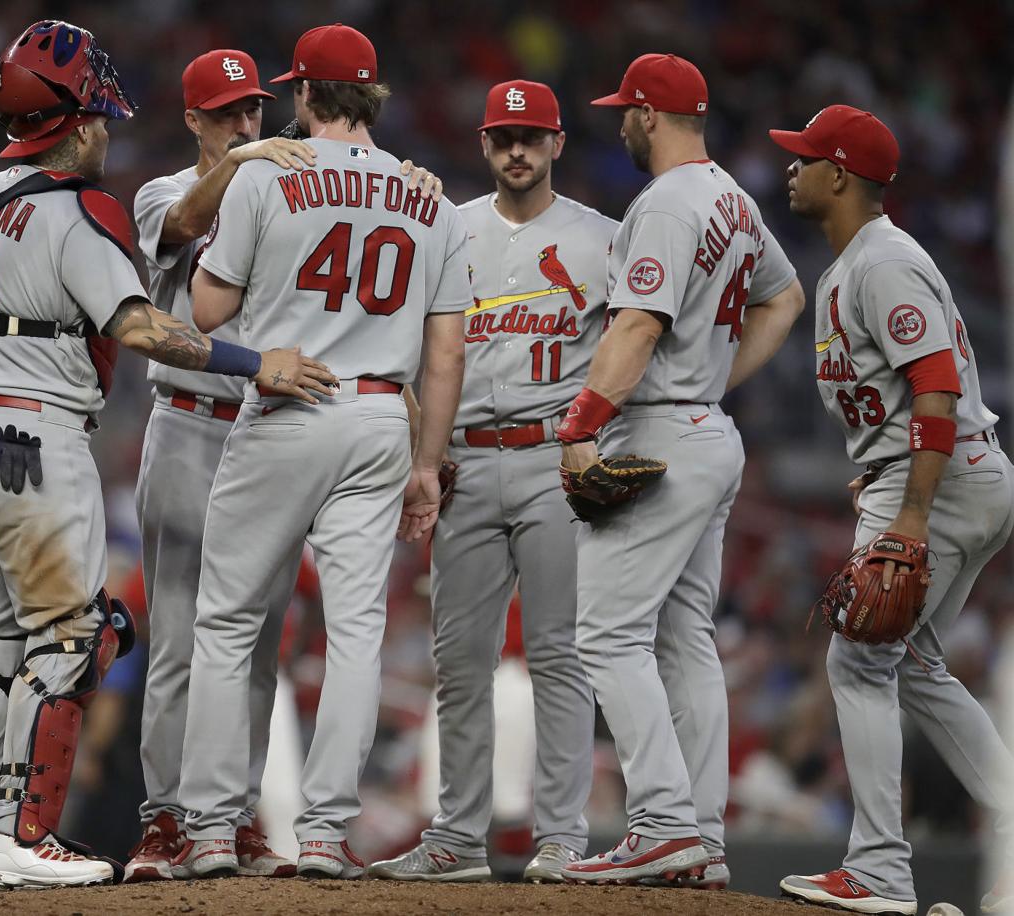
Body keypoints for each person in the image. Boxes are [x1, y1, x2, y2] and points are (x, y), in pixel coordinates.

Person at [0, 20, 333, 892]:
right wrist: (253, 361)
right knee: (77, 633)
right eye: (102, 120)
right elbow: (142, 328)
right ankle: (26, 832)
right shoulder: (82, 208)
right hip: (34, 438)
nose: (107, 133)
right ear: (77, 125)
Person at [125, 48, 439, 882]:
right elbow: (187, 227)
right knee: (185, 639)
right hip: (196, 423)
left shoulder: (288, 174)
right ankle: (168, 817)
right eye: (224, 111)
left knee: (256, 640)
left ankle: (235, 821)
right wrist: (253, 163)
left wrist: (358, 177)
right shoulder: (170, 189)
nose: (242, 121)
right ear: (192, 119)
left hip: (284, 421)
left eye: (252, 108)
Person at [555, 53, 804, 886]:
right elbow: (786, 296)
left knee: (609, 636)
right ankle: (700, 837)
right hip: (706, 431)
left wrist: (581, 425)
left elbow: (635, 330)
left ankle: (662, 822)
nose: (620, 122)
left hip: (660, 432)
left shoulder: (666, 202)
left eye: (626, 110)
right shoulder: (734, 195)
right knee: (684, 638)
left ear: (651, 116)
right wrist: (713, 385)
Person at [770, 105, 1014, 916]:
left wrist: (910, 510)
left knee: (857, 661)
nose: (791, 170)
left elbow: (937, 386)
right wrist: (882, 464)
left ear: (839, 174)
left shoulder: (882, 263)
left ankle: (878, 867)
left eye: (804, 159)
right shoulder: (855, 264)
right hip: (935, 472)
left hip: (938, 481)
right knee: (911, 665)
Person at [369, 79, 613, 884]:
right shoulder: (447, 231)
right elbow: (403, 350)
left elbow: (638, 347)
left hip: (554, 458)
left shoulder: (604, 238)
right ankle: (457, 839)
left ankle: (563, 838)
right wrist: (424, 448)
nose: (517, 150)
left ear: (557, 145)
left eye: (532, 137)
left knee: (558, 655)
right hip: (464, 461)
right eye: (504, 136)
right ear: (483, 144)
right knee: (461, 660)